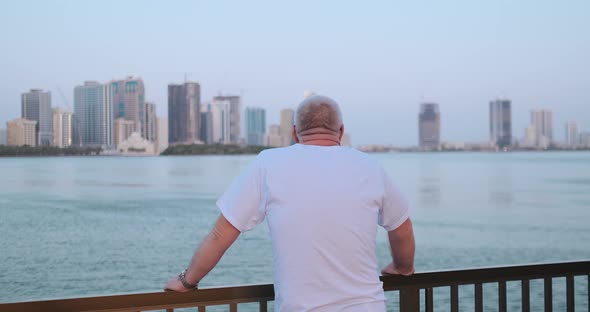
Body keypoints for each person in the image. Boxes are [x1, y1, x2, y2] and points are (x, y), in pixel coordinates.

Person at [165, 95, 416, 311]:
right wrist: (402, 267)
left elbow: (221, 234)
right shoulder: (370, 166)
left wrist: (187, 281)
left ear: (295, 132)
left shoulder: (269, 164)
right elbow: (401, 228)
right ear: (341, 131)